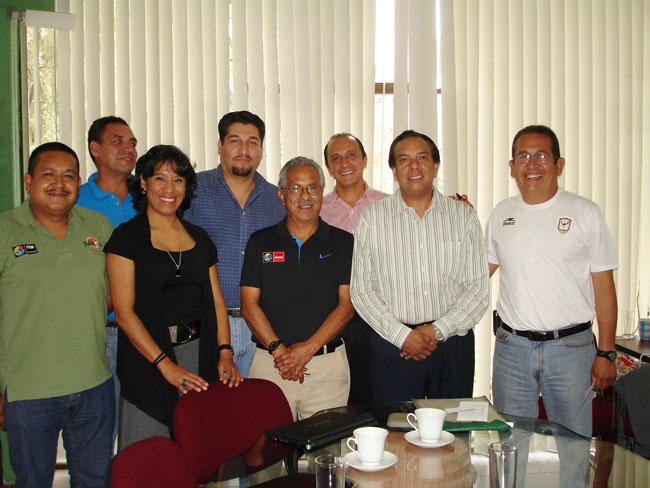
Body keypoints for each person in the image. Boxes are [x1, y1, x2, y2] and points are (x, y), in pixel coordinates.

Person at [105, 145, 242, 451]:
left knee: (197, 449)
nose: (170, 189)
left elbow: (216, 301)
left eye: (178, 180)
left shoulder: (199, 237)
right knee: (151, 453)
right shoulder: (126, 238)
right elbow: (124, 313)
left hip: (199, 355)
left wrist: (224, 352)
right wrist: (166, 365)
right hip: (149, 360)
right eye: (160, 178)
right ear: (143, 182)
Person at [486, 125, 618, 437]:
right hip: (512, 350)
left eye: (542, 156)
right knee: (510, 443)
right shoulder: (502, 213)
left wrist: (606, 352)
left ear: (559, 164)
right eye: (523, 157)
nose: (532, 164)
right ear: (512, 167)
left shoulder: (585, 212)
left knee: (574, 445)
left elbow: (604, 289)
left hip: (571, 349)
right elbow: (476, 275)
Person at [0, 142, 115, 487]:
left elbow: (116, 291)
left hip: (94, 385)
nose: (59, 184)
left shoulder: (98, 226)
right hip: (28, 391)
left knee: (94, 480)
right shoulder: (5, 230)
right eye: (48, 174)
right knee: (33, 481)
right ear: (28, 181)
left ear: (79, 182)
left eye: (68, 176)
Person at [350, 130, 489, 401]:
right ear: (394, 170)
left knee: (452, 425)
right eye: (404, 160)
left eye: (422, 158)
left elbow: (478, 289)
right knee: (394, 426)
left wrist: (437, 329)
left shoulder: (463, 217)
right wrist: (402, 335)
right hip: (392, 344)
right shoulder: (372, 219)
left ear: (435, 165)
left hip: (451, 344)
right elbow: (362, 290)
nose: (414, 166)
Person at [241, 157, 355, 420]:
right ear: (282, 195)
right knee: (268, 444)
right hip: (271, 365)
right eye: (295, 188)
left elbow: (347, 306)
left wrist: (306, 350)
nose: (305, 196)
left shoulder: (343, 243)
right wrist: (281, 353)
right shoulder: (260, 242)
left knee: (325, 444)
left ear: (321, 193)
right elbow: (248, 305)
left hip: (326, 367)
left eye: (312, 188)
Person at [185, 111, 285, 377]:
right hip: (207, 325)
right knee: (209, 401)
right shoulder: (191, 192)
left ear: (261, 149)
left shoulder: (277, 200)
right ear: (220, 145)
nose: (244, 150)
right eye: (235, 141)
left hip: (263, 328)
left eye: (252, 142)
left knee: (260, 401)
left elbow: (284, 261)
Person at [76, 115, 138, 447]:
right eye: (118, 141)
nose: (129, 149)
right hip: (97, 333)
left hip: (142, 333)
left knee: (140, 434)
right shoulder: (74, 200)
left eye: (132, 143)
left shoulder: (147, 197)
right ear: (95, 149)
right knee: (95, 436)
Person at [319, 133, 388, 405]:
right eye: (335, 158)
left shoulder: (390, 206)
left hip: (378, 319)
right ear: (328, 167)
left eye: (351, 155)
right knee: (333, 400)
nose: (344, 163)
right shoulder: (316, 210)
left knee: (375, 396)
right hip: (330, 316)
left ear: (365, 160)